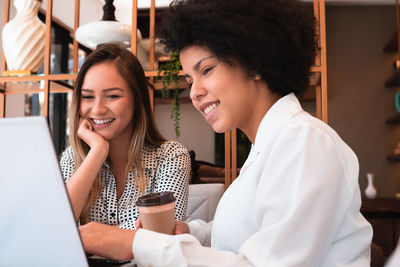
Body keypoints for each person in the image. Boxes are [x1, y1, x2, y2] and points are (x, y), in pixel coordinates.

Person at [79, 0, 373, 266]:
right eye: (189, 79)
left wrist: (137, 244)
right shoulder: (269, 149)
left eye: (206, 70)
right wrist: (191, 232)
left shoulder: (304, 143)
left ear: (254, 61)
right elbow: (241, 238)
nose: (195, 93)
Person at [60, 43, 191, 230]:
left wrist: (86, 236)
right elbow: (57, 227)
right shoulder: (71, 159)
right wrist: (97, 152)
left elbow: (161, 231)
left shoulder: (171, 156)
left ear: (137, 100)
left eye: (112, 96)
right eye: (88, 97)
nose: (97, 109)